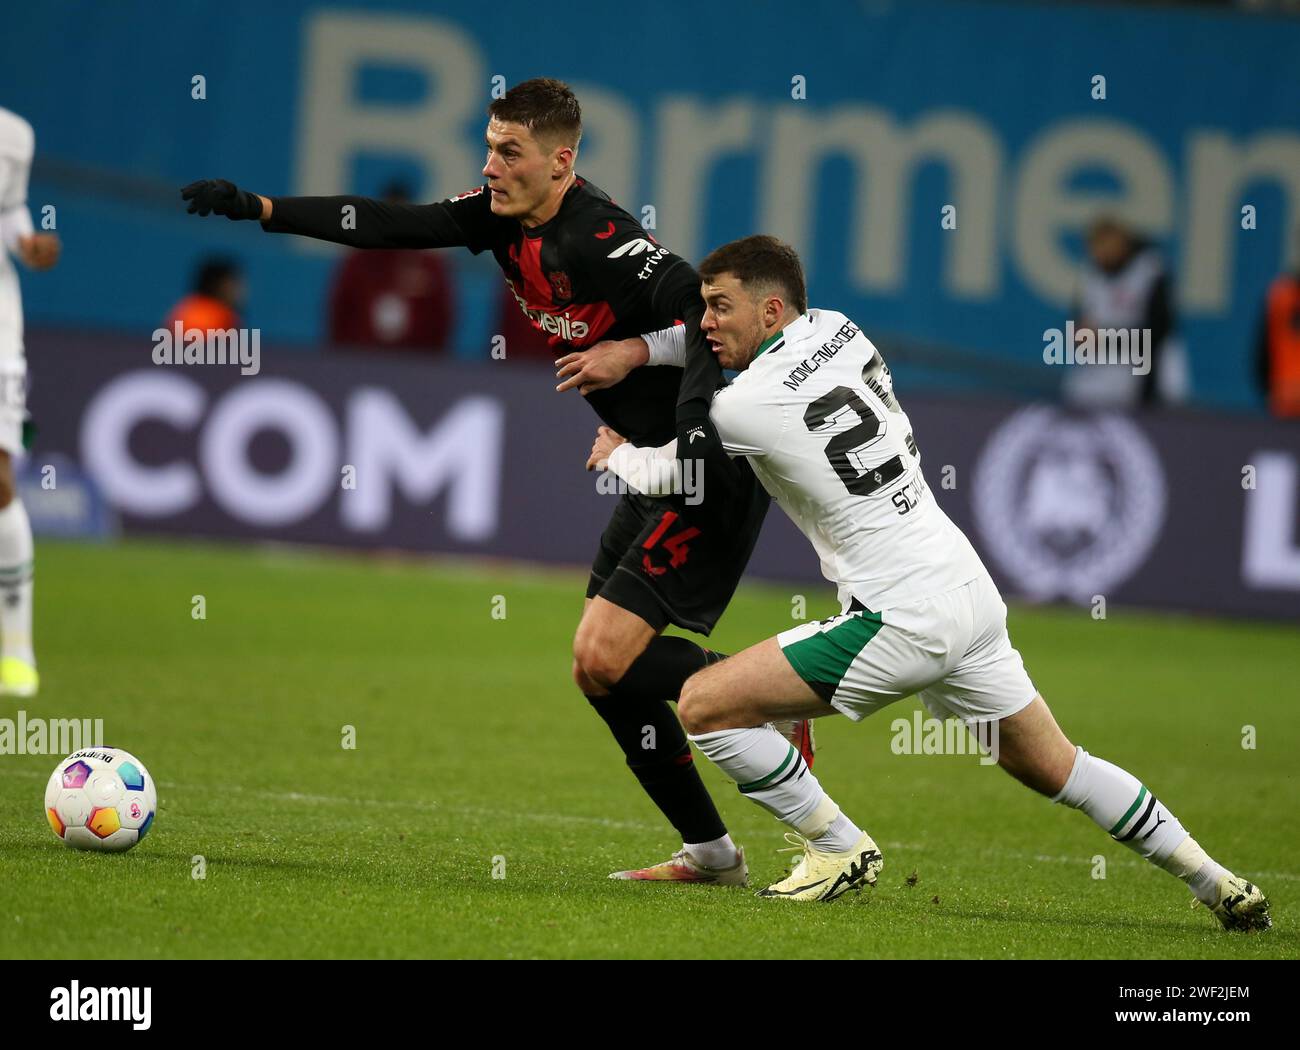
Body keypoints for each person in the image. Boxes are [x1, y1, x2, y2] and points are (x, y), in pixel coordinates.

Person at [180, 78, 808, 885]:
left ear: (560, 161)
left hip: (702, 473)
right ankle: (714, 854)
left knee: (606, 656)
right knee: (597, 673)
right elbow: (387, 225)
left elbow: (708, 316)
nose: (491, 166)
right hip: (647, 465)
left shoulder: (603, 237)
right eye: (488, 146)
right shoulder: (497, 215)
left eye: (509, 152)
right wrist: (261, 207)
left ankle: (771, 690)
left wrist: (631, 355)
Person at [588, 235, 1270, 931]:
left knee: (704, 704)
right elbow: (718, 357)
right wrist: (660, 347)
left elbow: (684, 469)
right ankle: (1218, 882)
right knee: (1058, 767)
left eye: (717, 307)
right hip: (966, 591)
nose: (703, 323)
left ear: (769, 310)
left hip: (900, 615)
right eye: (701, 307)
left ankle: (837, 846)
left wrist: (624, 457)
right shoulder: (839, 329)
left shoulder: (745, 407)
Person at [0, 107, 60, 698]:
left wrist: (26, 244)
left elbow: (8, 212)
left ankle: (16, 648)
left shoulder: (15, 134)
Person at [1066, 216, 1187, 410]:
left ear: (1122, 242)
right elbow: (1080, 328)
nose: (1100, 253)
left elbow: (1157, 331)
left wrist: (1105, 339)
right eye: (1095, 247)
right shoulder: (1090, 273)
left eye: (1106, 244)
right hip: (1101, 376)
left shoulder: (1150, 270)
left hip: (1148, 373)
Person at [327, 180, 455, 353]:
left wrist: (433, 362)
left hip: (415, 363)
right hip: (361, 358)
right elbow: (340, 313)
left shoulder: (429, 266)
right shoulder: (358, 263)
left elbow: (442, 318)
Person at [1255, 233, 1300, 418]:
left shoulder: (1280, 292)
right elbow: (1263, 348)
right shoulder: (1280, 294)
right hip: (1283, 404)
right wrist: (1267, 388)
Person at [163, 257, 244, 333]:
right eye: (235, 285)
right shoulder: (212, 318)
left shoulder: (185, 308)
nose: (240, 291)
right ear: (221, 286)